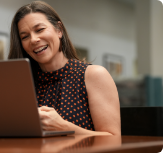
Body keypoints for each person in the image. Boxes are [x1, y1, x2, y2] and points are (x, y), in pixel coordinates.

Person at [8, 1, 120, 135]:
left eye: (40, 30)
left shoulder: (93, 75)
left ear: (59, 30)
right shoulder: (21, 84)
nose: (33, 39)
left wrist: (64, 127)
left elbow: (113, 138)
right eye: (25, 36)